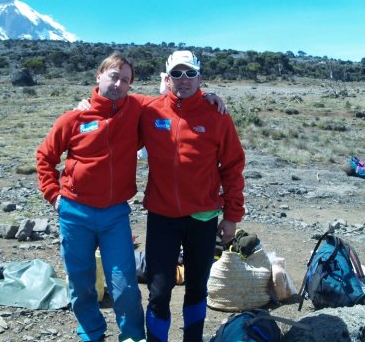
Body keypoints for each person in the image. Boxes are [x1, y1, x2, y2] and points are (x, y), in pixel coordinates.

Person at [36, 52, 225, 342]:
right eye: (113, 76)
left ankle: (133, 336)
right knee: (81, 281)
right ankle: (91, 332)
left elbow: (176, 101)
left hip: (114, 213)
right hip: (74, 211)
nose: (118, 83)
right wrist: (54, 196)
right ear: (99, 76)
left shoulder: (137, 108)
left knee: (124, 283)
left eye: (125, 80)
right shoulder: (74, 117)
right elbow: (44, 157)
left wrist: (207, 96)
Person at [139, 51, 246, 342]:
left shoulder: (217, 115)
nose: (183, 80)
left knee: (198, 287)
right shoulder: (150, 111)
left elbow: (233, 167)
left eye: (189, 73)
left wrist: (232, 217)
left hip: (203, 216)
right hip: (162, 216)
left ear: (200, 77)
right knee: (159, 289)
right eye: (176, 73)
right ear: (167, 78)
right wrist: (87, 103)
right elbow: (114, 99)